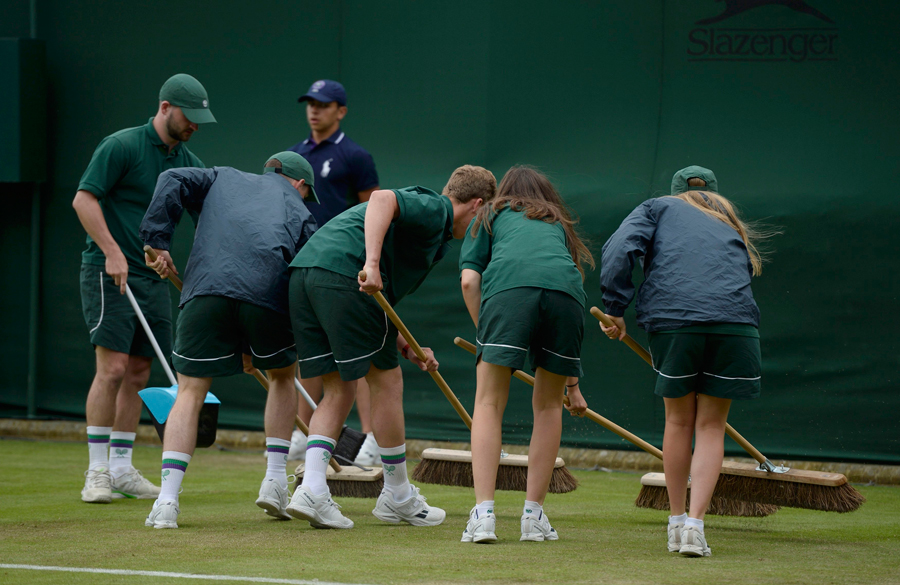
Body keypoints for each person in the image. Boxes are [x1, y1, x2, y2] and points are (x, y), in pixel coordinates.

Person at [286, 165, 497, 529]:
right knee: (386, 382)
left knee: (338, 387)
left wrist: (404, 344)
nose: (484, 228)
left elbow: (378, 307)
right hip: (345, 276)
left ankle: (313, 489)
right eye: (488, 216)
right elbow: (381, 199)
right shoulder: (437, 209)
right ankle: (397, 495)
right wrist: (370, 263)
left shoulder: (434, 233)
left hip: (306, 275)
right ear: (477, 204)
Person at [139, 152, 318, 529]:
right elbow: (304, 276)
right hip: (267, 297)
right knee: (283, 376)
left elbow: (172, 178)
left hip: (205, 291)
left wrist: (158, 240)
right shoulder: (301, 211)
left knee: (190, 391)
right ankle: (275, 483)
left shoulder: (220, 176)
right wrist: (265, 337)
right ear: (300, 184)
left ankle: (166, 501)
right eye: (306, 192)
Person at [599, 166, 767, 557]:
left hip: (675, 321)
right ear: (714, 193)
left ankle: (676, 524)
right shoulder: (728, 218)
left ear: (676, 192)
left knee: (677, 421)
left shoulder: (656, 207)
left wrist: (614, 307)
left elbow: (619, 248)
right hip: (736, 325)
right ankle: (694, 527)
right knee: (711, 426)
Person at [72, 73, 215, 503]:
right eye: (189, 117)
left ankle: (121, 468)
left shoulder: (189, 160)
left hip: (152, 278)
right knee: (113, 368)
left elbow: (201, 217)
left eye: (200, 120)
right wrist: (112, 251)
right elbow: (84, 199)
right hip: (109, 271)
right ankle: (97, 471)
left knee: (138, 372)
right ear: (165, 107)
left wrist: (162, 252)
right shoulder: (121, 145)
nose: (194, 126)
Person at [458, 166, 591, 544]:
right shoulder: (557, 221)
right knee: (548, 407)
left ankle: (483, 516)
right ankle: (533, 518)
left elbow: (469, 280)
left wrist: (486, 336)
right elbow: (565, 281)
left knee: (488, 403)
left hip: (509, 295)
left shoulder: (488, 214)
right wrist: (572, 387)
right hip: (567, 300)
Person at [287, 80, 381, 465]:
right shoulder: (294, 156)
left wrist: (369, 260)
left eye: (323, 104)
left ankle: (371, 440)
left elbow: (375, 211)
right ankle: (302, 433)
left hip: (345, 268)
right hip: (302, 266)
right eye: (310, 103)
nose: (315, 110)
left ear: (340, 111)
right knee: (309, 349)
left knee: (357, 350)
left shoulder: (355, 156)